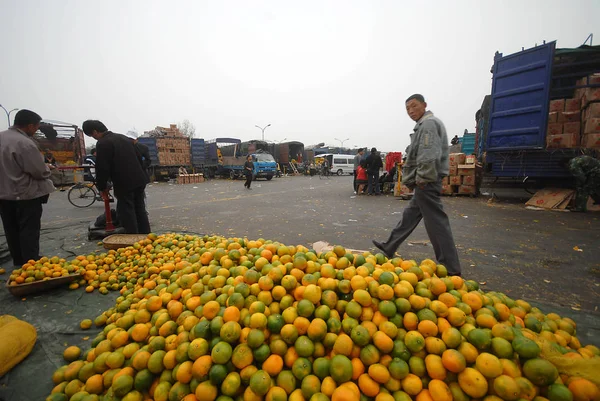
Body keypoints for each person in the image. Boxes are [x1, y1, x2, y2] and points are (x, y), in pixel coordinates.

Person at [372, 94, 461, 276]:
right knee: (409, 216)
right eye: (407, 109)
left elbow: (428, 154)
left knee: (436, 223)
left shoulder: (428, 124)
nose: (411, 111)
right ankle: (389, 246)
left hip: (426, 182)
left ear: (424, 105)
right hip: (425, 181)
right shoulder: (423, 125)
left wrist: (422, 179)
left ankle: (450, 268)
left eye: (414, 106)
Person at [0, 110, 55, 267]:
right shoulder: (24, 143)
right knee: (28, 230)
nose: (36, 131)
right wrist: (48, 167)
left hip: (4, 195)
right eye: (36, 128)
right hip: (25, 194)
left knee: (11, 229)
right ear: (30, 126)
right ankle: (30, 263)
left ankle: (18, 260)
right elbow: (38, 171)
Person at [82, 120, 151, 234]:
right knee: (140, 208)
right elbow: (138, 157)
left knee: (127, 210)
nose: (94, 138)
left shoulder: (103, 143)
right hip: (139, 179)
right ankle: (146, 235)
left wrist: (102, 186)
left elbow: (102, 167)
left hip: (124, 182)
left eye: (91, 135)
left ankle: (132, 238)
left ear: (95, 132)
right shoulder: (123, 138)